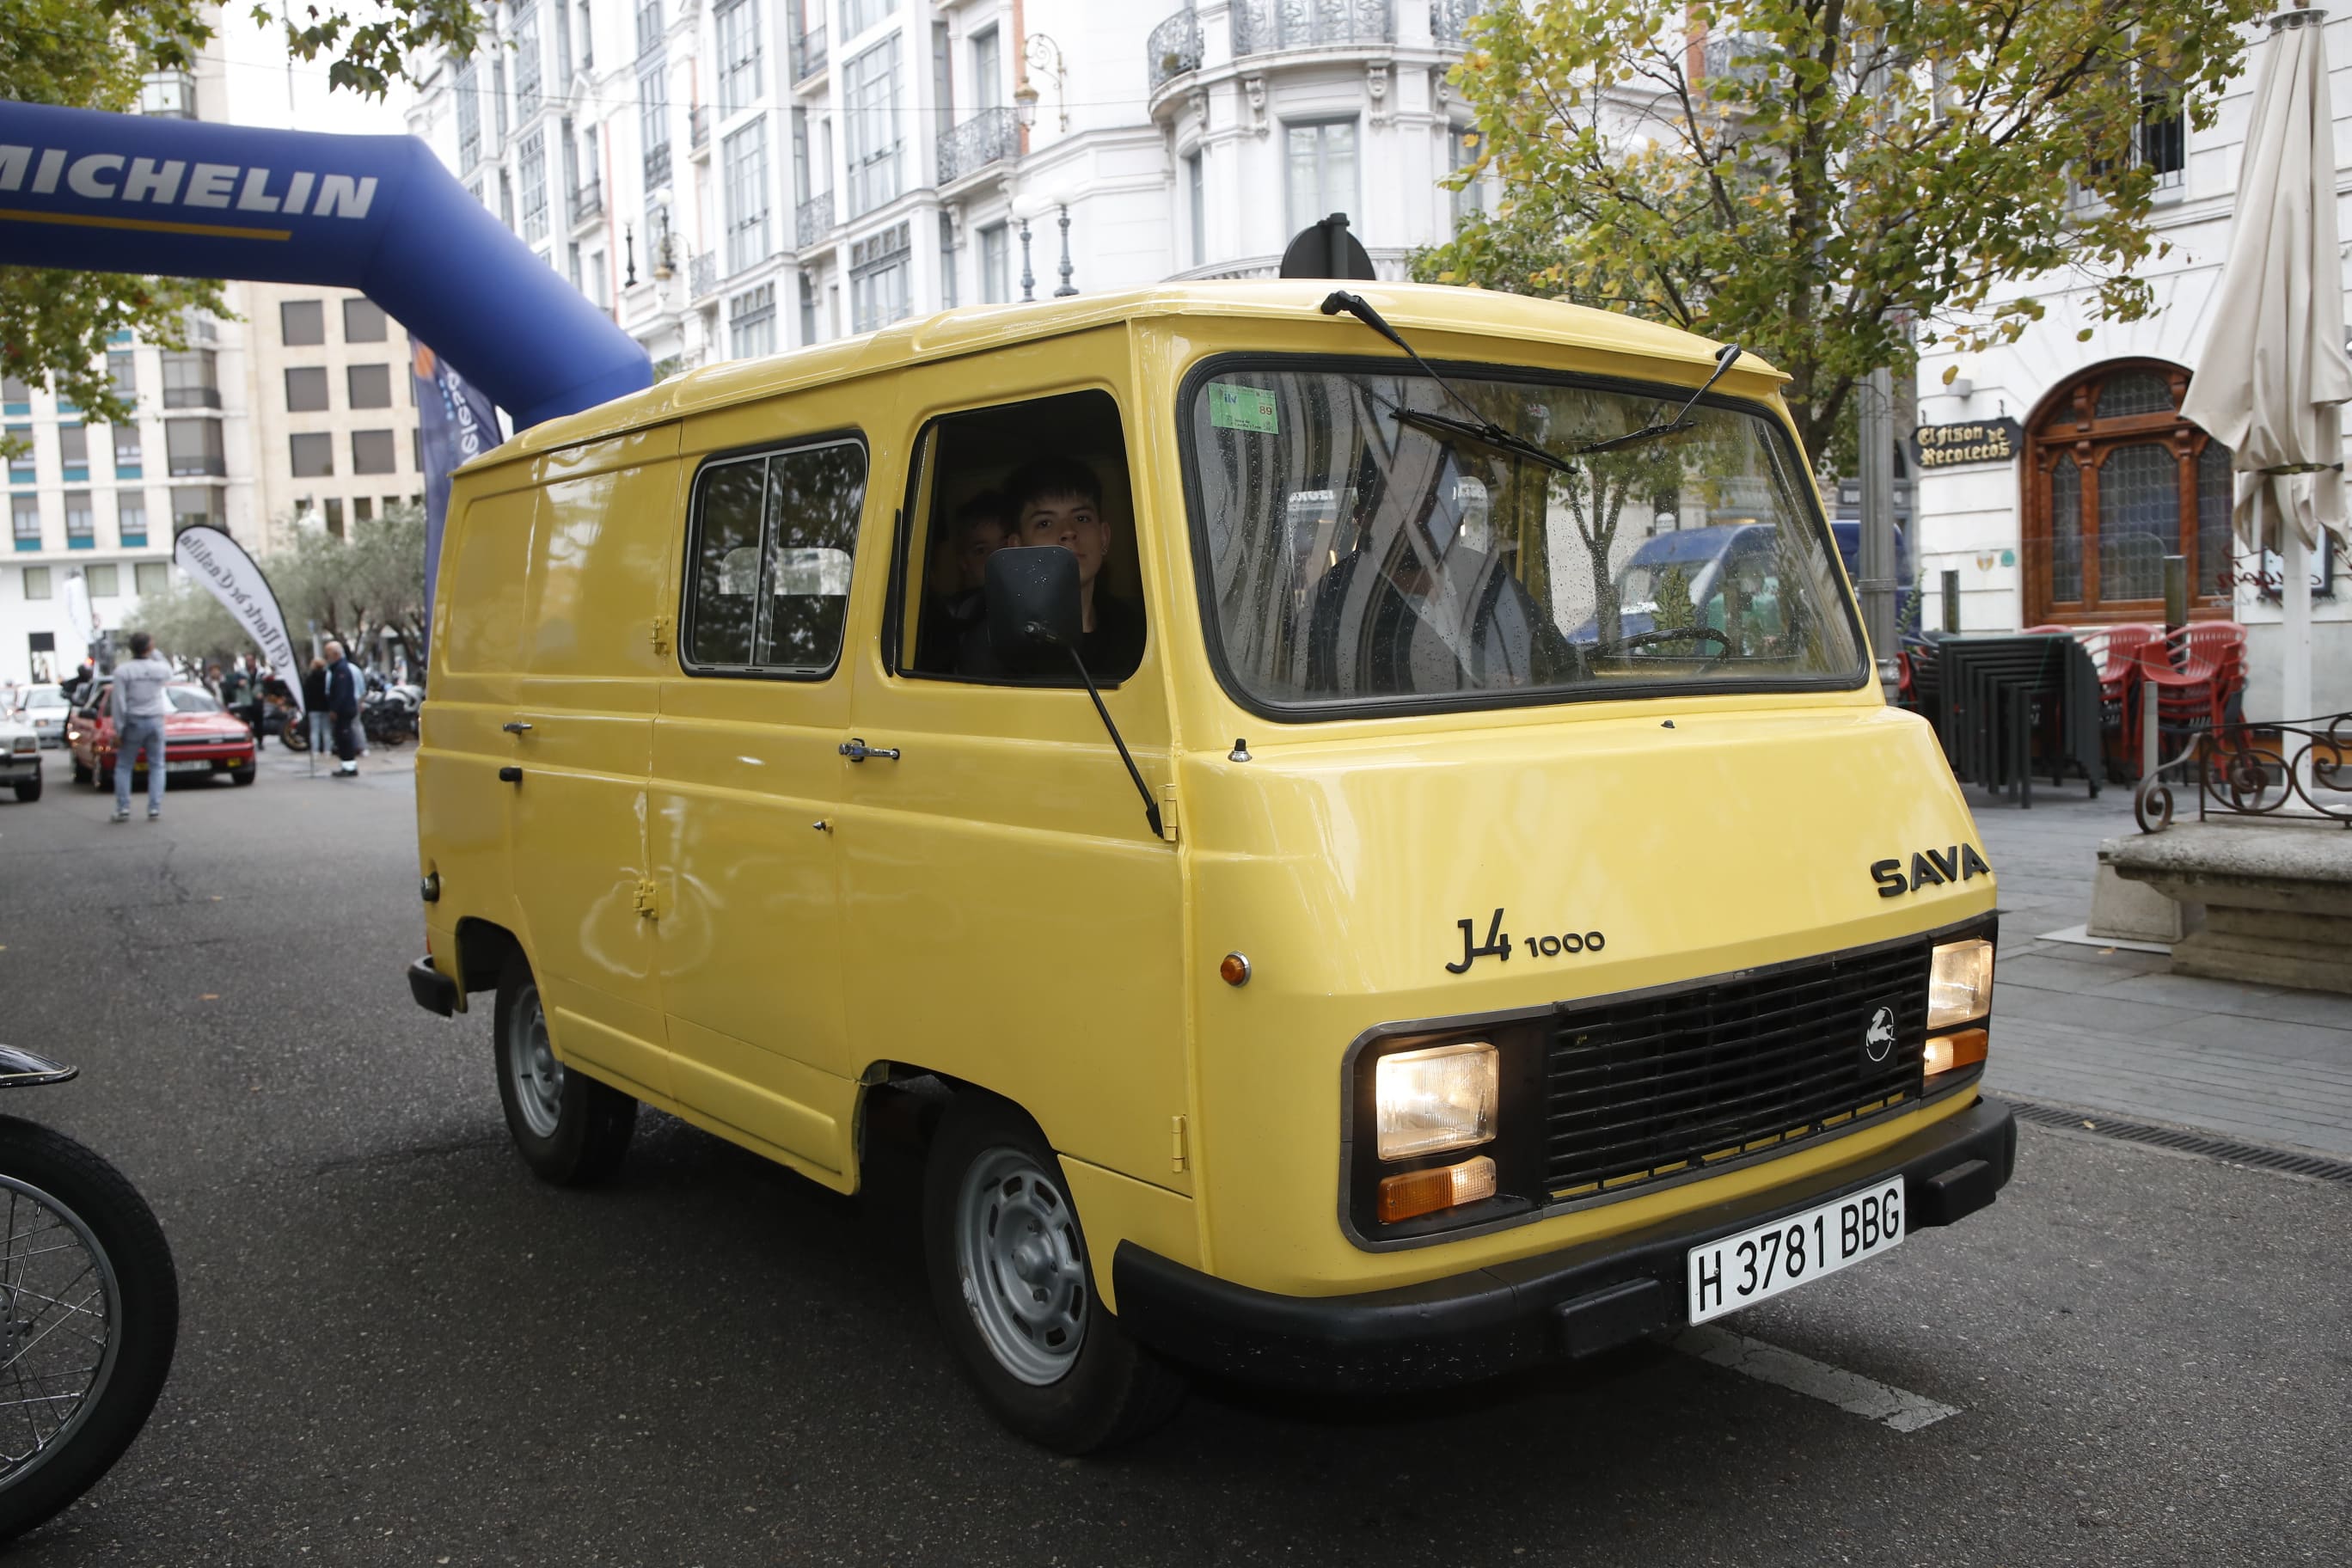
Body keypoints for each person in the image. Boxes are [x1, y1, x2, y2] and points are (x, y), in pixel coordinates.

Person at [960, 458, 1144, 682]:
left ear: (1104, 537)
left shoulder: (1136, 632)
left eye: (1081, 518)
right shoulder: (994, 644)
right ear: (1016, 546)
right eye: (1045, 523)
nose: (1068, 532)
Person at [918, 491, 1012, 670]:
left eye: (1004, 544)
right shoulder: (951, 618)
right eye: (981, 550)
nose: (996, 557)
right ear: (964, 563)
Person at [108, 631, 175, 822]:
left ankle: (123, 808)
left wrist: (119, 729)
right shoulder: (159, 669)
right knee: (157, 764)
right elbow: (168, 669)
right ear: (149, 648)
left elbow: (119, 702)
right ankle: (154, 807)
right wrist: (154, 652)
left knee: (124, 766)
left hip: (134, 720)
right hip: (155, 719)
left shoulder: (123, 671)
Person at [323, 640, 363, 777]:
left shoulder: (342, 670)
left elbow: (341, 692)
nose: (326, 658)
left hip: (344, 710)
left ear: (336, 654)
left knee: (345, 738)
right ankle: (346, 765)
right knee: (342, 738)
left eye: (328, 654)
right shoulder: (338, 669)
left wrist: (335, 709)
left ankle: (350, 766)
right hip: (344, 709)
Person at [303, 657, 333, 756]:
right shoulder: (328, 677)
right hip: (326, 707)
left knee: (315, 730)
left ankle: (315, 750)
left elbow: (306, 694)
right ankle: (327, 750)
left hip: (313, 708)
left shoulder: (309, 678)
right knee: (326, 730)